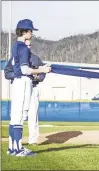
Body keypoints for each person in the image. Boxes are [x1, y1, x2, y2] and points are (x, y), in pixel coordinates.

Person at [7, 19, 51, 157]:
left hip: (17, 82)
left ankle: (13, 148)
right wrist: (42, 69)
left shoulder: (15, 46)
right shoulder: (24, 48)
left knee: (15, 117)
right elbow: (25, 70)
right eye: (30, 30)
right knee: (21, 116)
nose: (32, 33)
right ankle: (19, 149)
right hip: (24, 82)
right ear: (24, 31)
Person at [25, 39, 47, 145]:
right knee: (18, 115)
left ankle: (33, 140)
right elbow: (8, 73)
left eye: (29, 45)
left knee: (33, 115)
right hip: (20, 87)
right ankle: (16, 140)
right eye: (26, 45)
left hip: (33, 87)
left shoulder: (35, 59)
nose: (28, 47)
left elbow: (43, 73)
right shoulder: (16, 59)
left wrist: (37, 78)